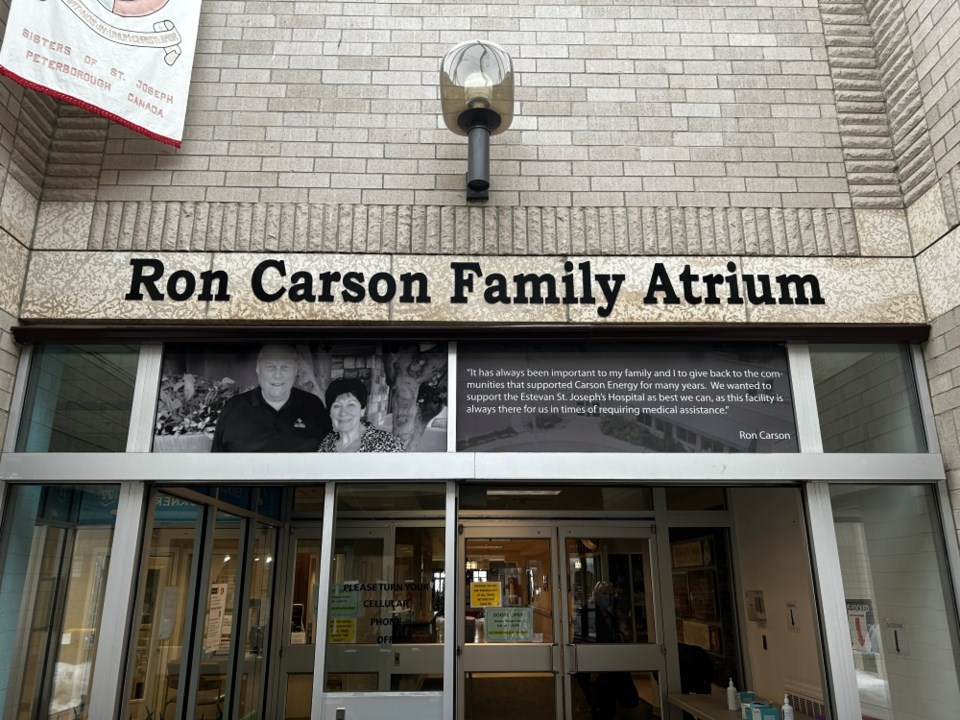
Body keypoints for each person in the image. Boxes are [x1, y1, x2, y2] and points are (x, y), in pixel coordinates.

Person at [211, 344, 331, 452]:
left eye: (285, 367)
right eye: (270, 367)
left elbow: (330, 455)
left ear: (295, 370)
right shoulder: (233, 408)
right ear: (258, 368)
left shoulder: (313, 406)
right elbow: (216, 464)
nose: (278, 375)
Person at [317, 377, 405, 453]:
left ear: (362, 410)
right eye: (337, 406)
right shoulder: (326, 444)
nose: (343, 412)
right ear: (330, 413)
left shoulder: (389, 444)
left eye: (350, 405)